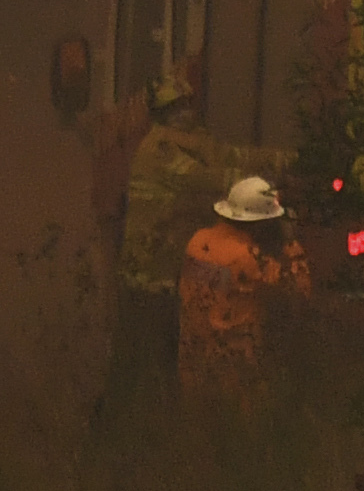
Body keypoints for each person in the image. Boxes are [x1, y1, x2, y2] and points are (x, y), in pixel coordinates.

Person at [114, 71, 219, 378]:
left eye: (188, 103)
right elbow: (206, 178)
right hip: (149, 277)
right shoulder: (161, 149)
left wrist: (285, 162)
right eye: (178, 106)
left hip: (167, 271)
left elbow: (230, 157)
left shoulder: (188, 142)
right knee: (147, 362)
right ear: (163, 114)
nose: (186, 111)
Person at [178, 173, 303, 412]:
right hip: (235, 374)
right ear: (261, 223)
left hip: (192, 362)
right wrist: (289, 239)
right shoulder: (250, 259)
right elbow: (298, 288)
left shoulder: (197, 241)